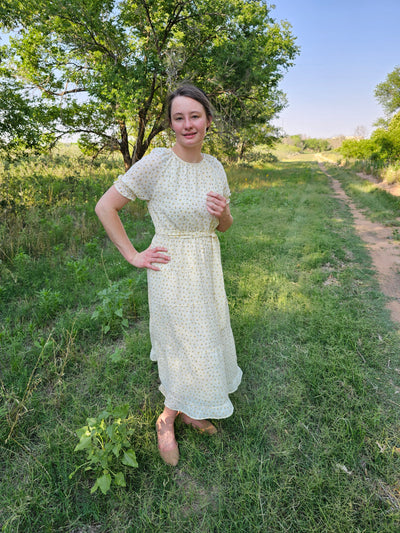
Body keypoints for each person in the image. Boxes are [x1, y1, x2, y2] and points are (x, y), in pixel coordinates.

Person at [95, 84, 242, 466]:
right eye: (179, 117)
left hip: (207, 266)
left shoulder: (215, 167)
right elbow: (106, 206)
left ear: (208, 120)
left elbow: (224, 226)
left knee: (206, 334)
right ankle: (168, 416)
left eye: (195, 116)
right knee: (178, 342)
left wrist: (223, 213)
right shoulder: (158, 163)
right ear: (171, 124)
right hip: (171, 269)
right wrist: (133, 255)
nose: (188, 124)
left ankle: (193, 409)